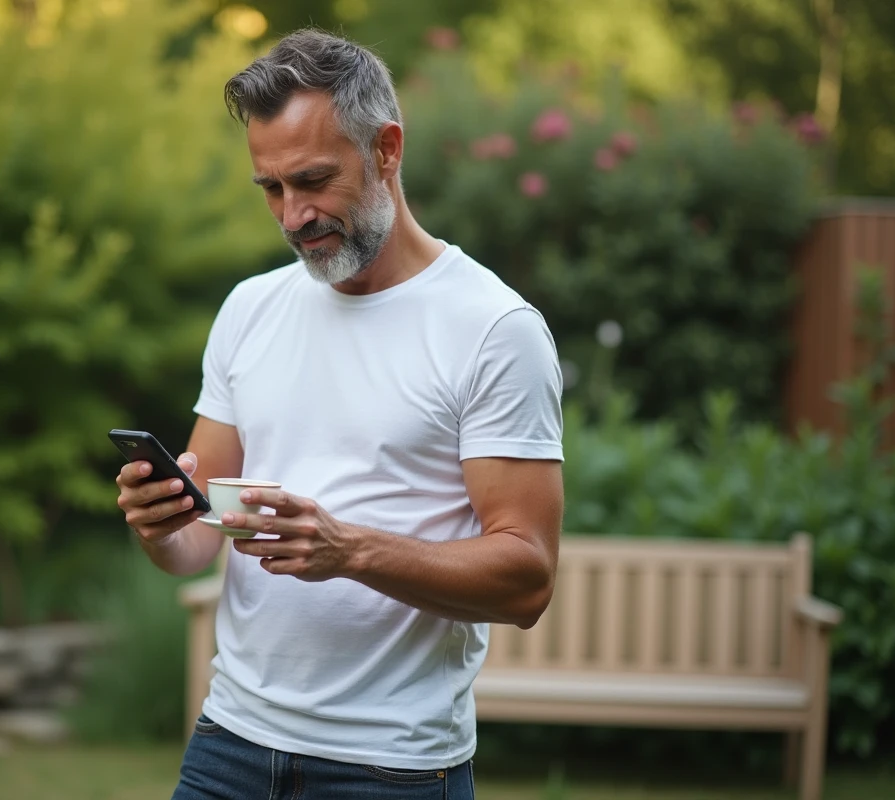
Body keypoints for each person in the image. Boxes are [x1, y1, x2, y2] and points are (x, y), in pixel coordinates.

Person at [115, 28, 565, 800]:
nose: (292, 217)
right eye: (270, 188)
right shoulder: (250, 309)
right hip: (231, 742)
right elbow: (201, 540)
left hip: (392, 765)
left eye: (313, 181)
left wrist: (349, 549)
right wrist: (163, 524)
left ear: (387, 149)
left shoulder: (494, 329)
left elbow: (526, 578)